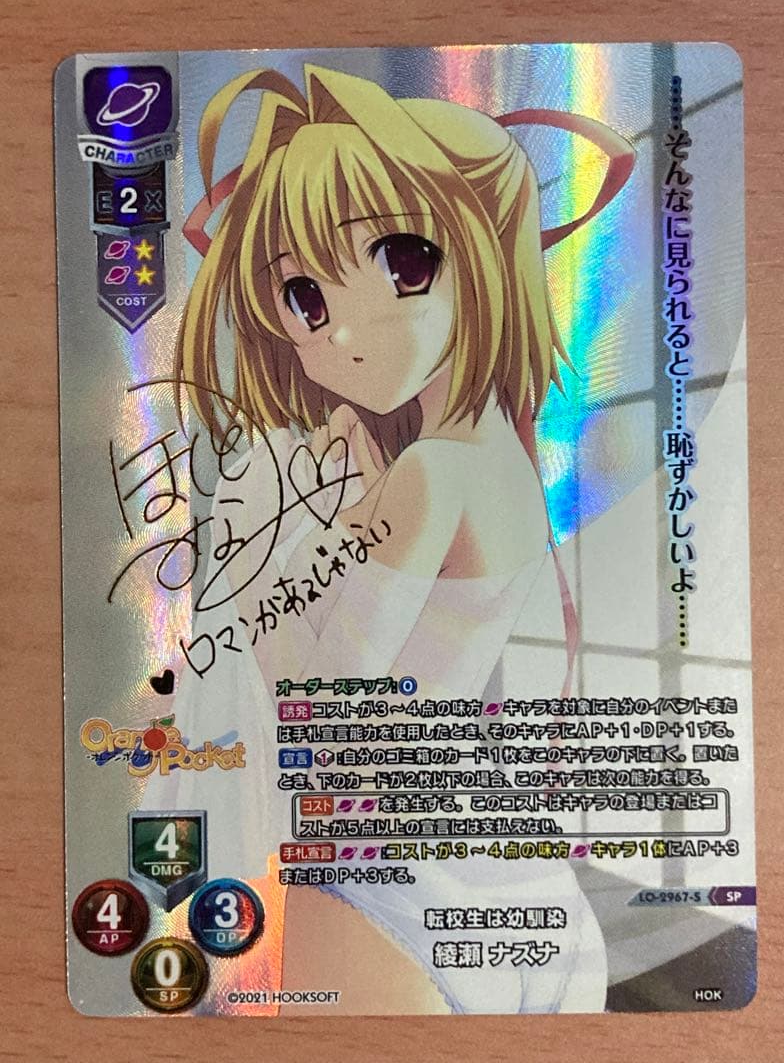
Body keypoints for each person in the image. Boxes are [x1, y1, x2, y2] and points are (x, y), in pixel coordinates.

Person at [143, 63, 635, 1013]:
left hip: (384, 880)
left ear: (482, 254)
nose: (340, 334)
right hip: (502, 877)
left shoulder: (429, 474)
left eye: (403, 264)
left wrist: (274, 563)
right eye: (305, 300)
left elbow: (319, 717)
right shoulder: (496, 459)